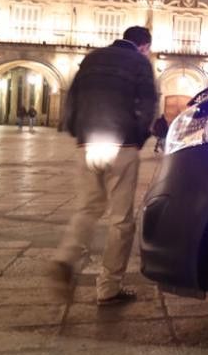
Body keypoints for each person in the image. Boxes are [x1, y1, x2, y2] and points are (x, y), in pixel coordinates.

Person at [49, 25, 158, 305]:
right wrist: (138, 135)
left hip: (88, 144)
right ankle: (109, 287)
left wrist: (78, 133)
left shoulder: (92, 58)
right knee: (121, 220)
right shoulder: (139, 62)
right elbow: (147, 104)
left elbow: (71, 99)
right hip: (120, 144)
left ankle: (65, 257)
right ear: (144, 46)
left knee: (88, 207)